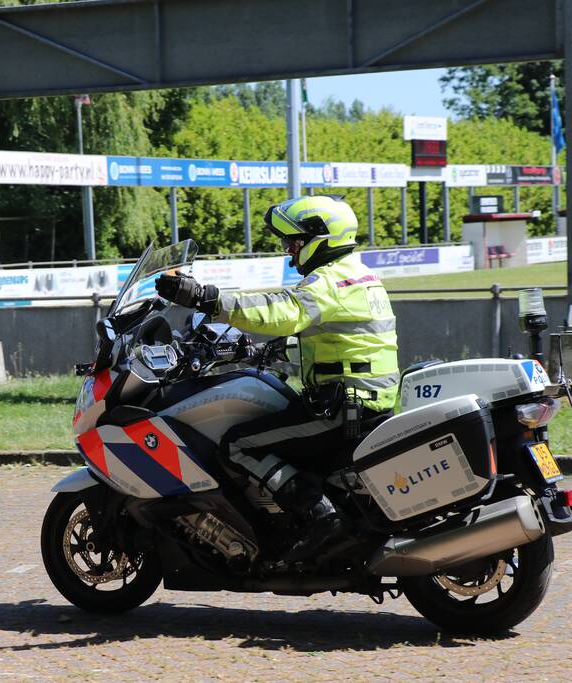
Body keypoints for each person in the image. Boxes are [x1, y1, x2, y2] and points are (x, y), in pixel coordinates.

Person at [155, 194, 399, 562]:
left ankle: (321, 518)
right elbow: (334, 340)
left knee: (238, 445)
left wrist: (208, 298)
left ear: (321, 239)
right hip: (360, 398)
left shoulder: (329, 281)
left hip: (344, 407)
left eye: (295, 242)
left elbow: (283, 311)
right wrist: (263, 351)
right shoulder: (356, 274)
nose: (290, 252)